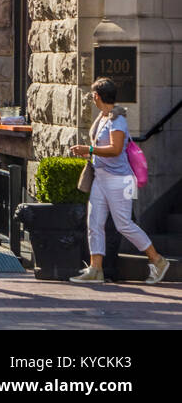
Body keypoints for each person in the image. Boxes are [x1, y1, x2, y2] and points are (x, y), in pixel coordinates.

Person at [70, 78, 171, 284]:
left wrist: (88, 149)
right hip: (101, 178)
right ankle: (95, 269)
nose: (92, 99)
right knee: (94, 223)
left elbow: (116, 149)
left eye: (92, 95)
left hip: (119, 181)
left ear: (97, 96)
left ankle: (158, 260)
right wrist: (91, 152)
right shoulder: (104, 118)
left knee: (124, 224)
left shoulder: (118, 121)